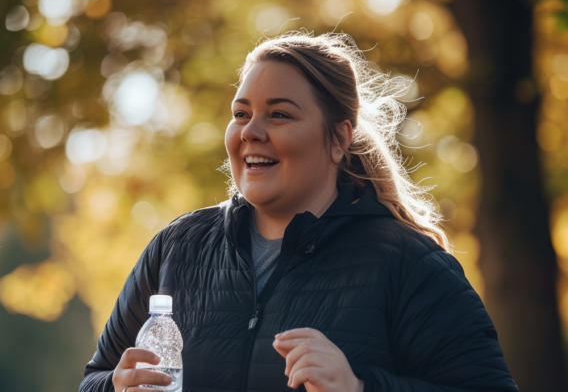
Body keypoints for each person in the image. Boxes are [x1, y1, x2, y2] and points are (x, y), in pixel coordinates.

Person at [79, 31, 520, 392]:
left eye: (279, 115)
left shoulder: (410, 264)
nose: (251, 131)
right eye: (241, 113)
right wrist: (116, 386)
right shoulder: (177, 248)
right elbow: (94, 378)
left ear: (338, 139)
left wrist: (359, 388)